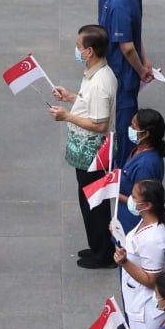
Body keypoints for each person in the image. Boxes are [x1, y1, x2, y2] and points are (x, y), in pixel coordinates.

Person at [50, 25, 117, 269]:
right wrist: (70, 97)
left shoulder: (100, 81)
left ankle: (103, 253)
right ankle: (97, 245)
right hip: (85, 153)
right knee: (87, 199)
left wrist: (67, 116)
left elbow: (99, 124)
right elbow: (89, 105)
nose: (76, 50)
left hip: (93, 154)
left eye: (79, 46)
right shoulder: (93, 73)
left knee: (95, 203)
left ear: (89, 51)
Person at [96, 0, 153, 168]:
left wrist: (140, 70)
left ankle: (122, 172)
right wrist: (145, 58)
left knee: (123, 126)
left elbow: (127, 46)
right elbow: (135, 34)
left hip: (122, 74)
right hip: (115, 71)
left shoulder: (120, 3)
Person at [114, 179, 165, 329]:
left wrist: (124, 262)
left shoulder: (154, 240)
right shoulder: (145, 220)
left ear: (146, 205)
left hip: (145, 310)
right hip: (136, 300)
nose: (130, 200)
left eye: (134, 197)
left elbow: (151, 280)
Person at [117, 109, 165, 235]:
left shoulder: (145, 166)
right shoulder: (140, 150)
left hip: (133, 225)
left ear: (145, 133)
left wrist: (112, 191)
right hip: (123, 219)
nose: (130, 128)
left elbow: (138, 204)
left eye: (133, 126)